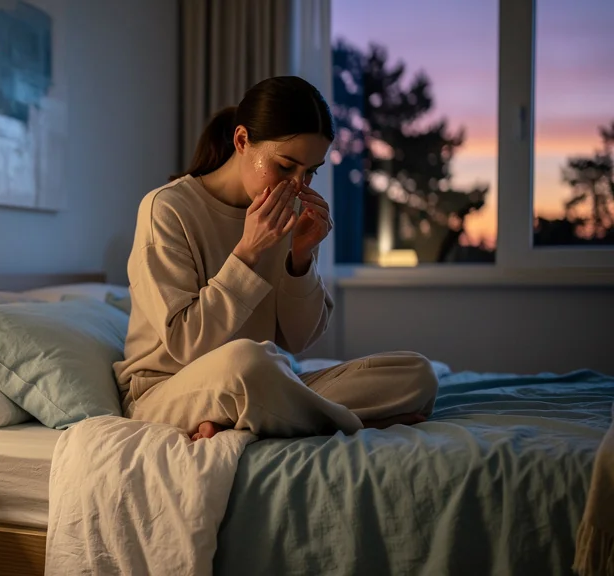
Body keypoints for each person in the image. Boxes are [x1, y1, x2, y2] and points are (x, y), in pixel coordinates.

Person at [113, 76, 439, 441]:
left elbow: (298, 340)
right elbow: (187, 344)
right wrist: (248, 252)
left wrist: (301, 260)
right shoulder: (167, 208)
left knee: (417, 374)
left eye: (310, 172)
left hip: (261, 381)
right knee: (248, 362)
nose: (298, 185)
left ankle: (266, 417)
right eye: (286, 166)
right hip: (167, 390)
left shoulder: (289, 213)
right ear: (241, 141)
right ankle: (349, 422)